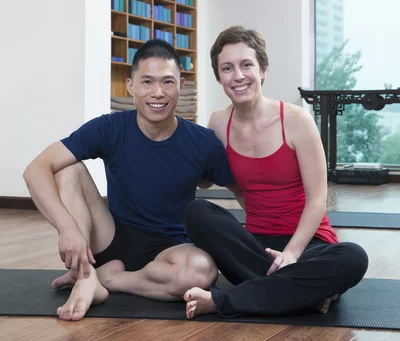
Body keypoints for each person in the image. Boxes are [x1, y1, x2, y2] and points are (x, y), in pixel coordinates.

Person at [23, 39, 234, 321]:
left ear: (180, 85)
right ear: (131, 86)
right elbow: (36, 169)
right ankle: (88, 279)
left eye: (167, 82)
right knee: (67, 168)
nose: (157, 93)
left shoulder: (202, 142)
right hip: (111, 237)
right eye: (147, 82)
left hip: (169, 248)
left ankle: (106, 280)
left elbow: (241, 190)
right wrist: (68, 229)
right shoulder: (109, 128)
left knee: (202, 272)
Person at [183, 26, 369, 319]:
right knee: (196, 212)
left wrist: (292, 255)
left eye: (247, 65)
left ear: (263, 69)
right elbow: (212, 181)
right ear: (219, 77)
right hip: (256, 246)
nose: (238, 75)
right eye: (227, 68)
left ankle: (225, 300)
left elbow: (318, 200)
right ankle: (305, 293)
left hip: (308, 245)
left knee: (354, 258)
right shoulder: (218, 123)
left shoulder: (297, 121)